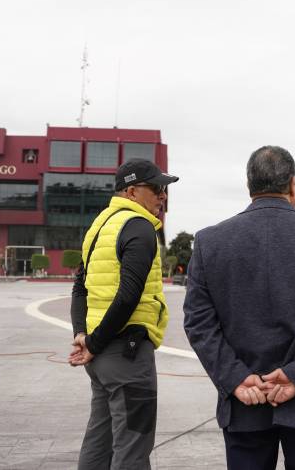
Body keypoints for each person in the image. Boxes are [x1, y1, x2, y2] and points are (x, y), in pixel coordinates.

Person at [183, 145, 295, 470]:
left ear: (249, 186)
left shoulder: (210, 242)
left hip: (244, 400)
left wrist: (235, 377)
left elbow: (198, 322)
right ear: (293, 184)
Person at [68, 158, 179, 469]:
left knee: (98, 443)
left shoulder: (99, 226)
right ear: (131, 191)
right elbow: (128, 296)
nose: (162, 196)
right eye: (156, 188)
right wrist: (93, 342)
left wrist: (82, 336)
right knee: (133, 449)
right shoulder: (139, 227)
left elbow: (79, 289)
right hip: (127, 355)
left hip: (100, 357)